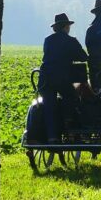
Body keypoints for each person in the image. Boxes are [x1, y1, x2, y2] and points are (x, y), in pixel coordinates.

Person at [38, 13, 87, 143]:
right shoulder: (71, 41)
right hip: (62, 78)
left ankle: (52, 137)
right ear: (66, 27)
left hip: (45, 78)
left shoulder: (48, 40)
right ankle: (68, 122)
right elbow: (83, 57)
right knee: (72, 96)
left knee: (49, 106)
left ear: (55, 27)